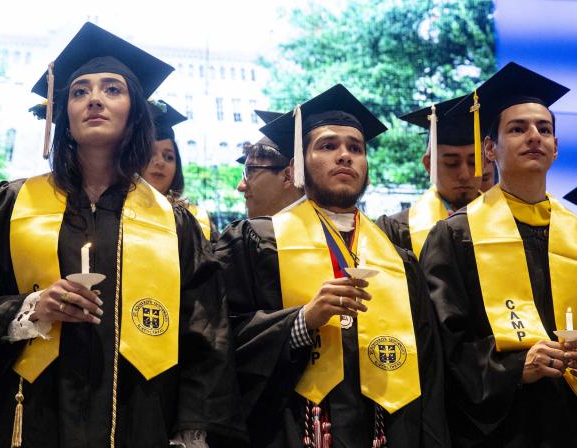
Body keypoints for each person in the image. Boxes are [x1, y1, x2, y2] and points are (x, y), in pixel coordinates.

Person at [0, 22, 246, 448]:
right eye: (80, 91)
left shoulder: (173, 223)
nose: (94, 99)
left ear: (135, 112)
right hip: (30, 414)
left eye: (112, 89)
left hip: (141, 418)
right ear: (64, 113)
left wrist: (191, 432)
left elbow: (204, 332)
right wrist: (29, 309)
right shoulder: (11, 205)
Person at [216, 84, 449, 447]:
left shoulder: (396, 258)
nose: (345, 156)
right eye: (327, 146)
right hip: (291, 430)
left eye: (355, 148)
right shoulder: (255, 241)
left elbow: (430, 374)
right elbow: (222, 343)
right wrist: (301, 321)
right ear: (296, 166)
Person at [420, 62, 577, 447]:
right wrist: (512, 369)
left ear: (556, 148)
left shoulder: (575, 231)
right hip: (501, 424)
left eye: (544, 129)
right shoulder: (455, 235)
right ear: (489, 148)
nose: (534, 136)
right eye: (517, 128)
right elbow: (441, 341)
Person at [377, 97, 482, 257]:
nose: (464, 175)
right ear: (428, 164)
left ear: (487, 161)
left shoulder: (506, 221)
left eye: (474, 162)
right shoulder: (398, 229)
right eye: (452, 163)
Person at [142, 99, 217, 241]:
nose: (160, 163)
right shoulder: (117, 213)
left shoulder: (195, 219)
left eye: (169, 157)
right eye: (150, 155)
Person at [235, 110, 303, 218]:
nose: (240, 186)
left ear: (288, 176)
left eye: (250, 171)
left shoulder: (323, 232)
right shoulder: (248, 233)